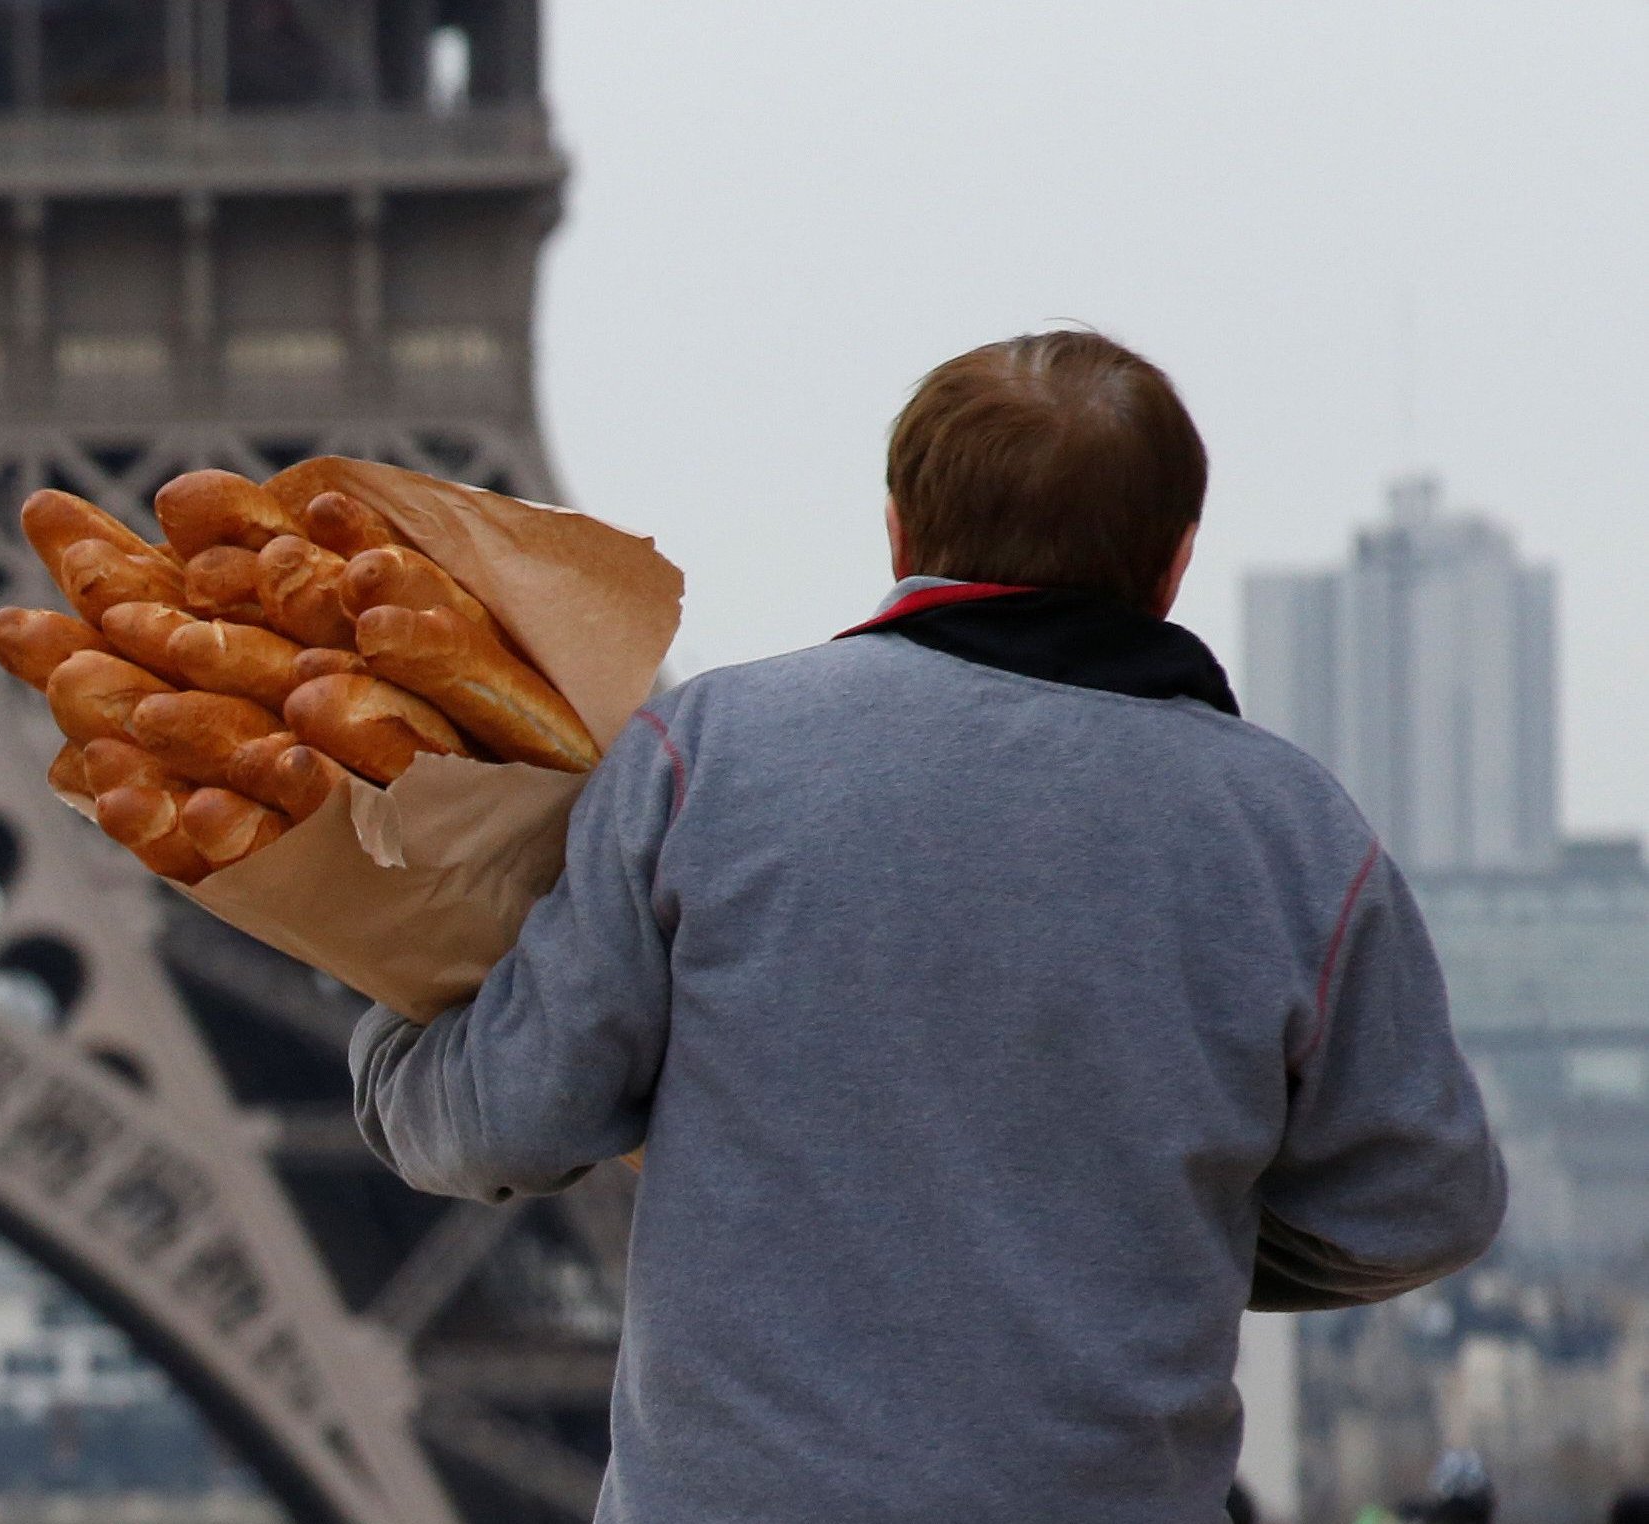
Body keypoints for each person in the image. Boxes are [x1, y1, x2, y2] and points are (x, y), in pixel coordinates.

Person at [351, 330, 1509, 1523]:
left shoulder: (709, 758)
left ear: (900, 532)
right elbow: (1428, 1205)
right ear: (1174, 564)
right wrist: (1156, 1242)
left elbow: (509, 1120)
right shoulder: (1296, 836)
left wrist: (384, 1025)